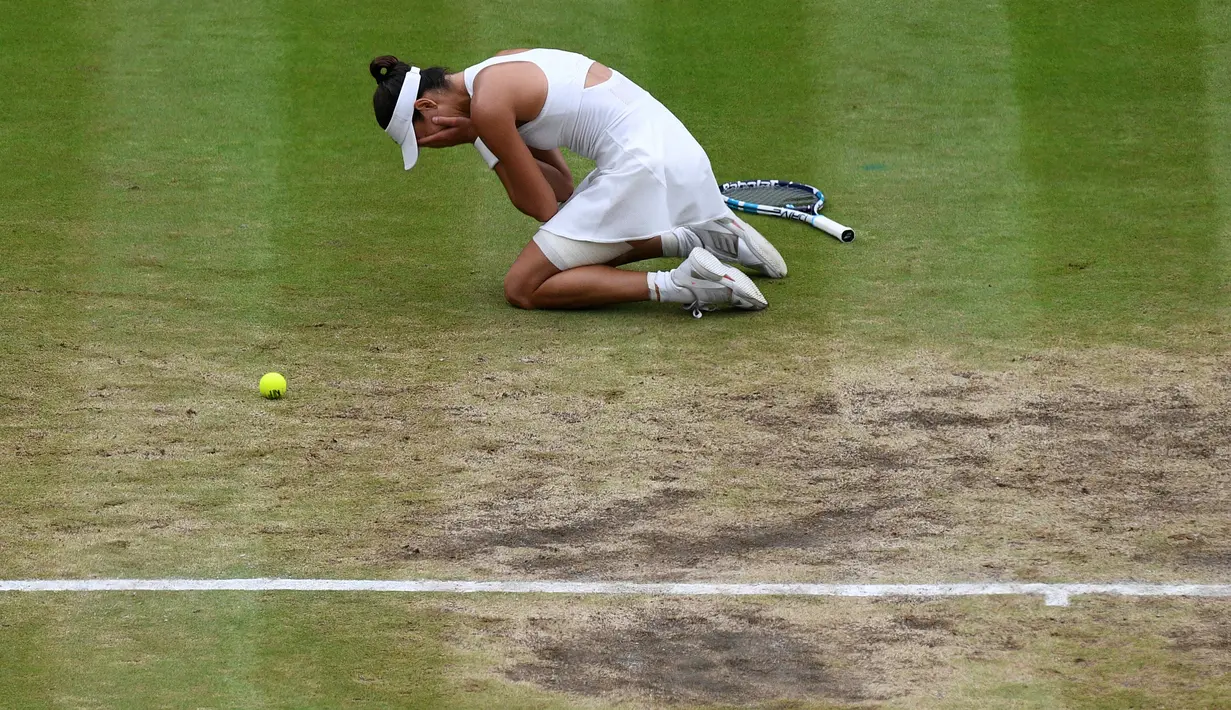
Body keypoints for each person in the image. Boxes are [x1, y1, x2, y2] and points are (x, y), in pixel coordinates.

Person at [369, 48, 787, 317]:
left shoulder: (489, 108)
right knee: (570, 239)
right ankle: (698, 236)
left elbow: (542, 208)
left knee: (523, 286)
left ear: (427, 106)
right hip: (675, 155)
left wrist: (481, 135)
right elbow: (562, 189)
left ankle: (686, 283)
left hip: (641, 168)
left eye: (423, 138)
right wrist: (483, 133)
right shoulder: (496, 70)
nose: (434, 146)